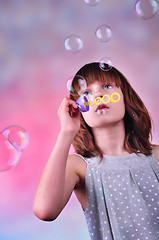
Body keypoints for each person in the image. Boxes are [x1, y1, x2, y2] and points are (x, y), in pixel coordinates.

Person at [33, 62, 159, 240]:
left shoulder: (157, 157)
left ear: (125, 97)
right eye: (86, 93)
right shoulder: (79, 167)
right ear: (79, 109)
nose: (99, 95)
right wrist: (67, 132)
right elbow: (45, 210)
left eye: (107, 86)